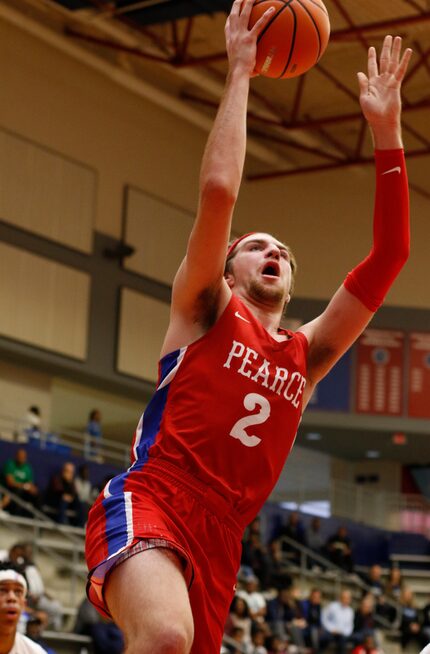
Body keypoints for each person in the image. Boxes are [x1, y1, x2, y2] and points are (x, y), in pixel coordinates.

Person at [85, 0, 412, 651]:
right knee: (167, 637)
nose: (274, 253)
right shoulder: (206, 306)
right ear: (229, 267)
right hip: (156, 496)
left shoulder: (308, 352)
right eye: (257, 246)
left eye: (284, 253)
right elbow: (217, 194)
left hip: (224, 538)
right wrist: (239, 70)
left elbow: (390, 257)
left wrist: (386, 134)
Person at [0, 562, 46, 654]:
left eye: (18, 592)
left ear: (24, 605)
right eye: (3, 590)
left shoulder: (35, 652)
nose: (12, 598)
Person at [1, 448, 41, 517]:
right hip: (9, 489)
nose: (21, 458)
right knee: (17, 491)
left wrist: (32, 489)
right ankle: (15, 516)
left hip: (23, 490)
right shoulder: (10, 464)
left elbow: (30, 483)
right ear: (16, 456)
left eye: (23, 456)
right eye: (20, 456)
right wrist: (24, 486)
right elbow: (10, 483)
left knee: (37, 495)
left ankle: (36, 518)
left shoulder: (28, 468)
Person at [45, 462, 85, 527]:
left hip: (68, 501)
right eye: (68, 471)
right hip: (56, 500)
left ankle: (81, 525)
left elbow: (75, 494)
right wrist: (64, 495)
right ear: (63, 471)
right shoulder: (56, 478)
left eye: (72, 472)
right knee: (63, 501)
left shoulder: (71, 482)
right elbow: (57, 492)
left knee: (80, 504)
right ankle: (62, 523)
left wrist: (71, 496)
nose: (70, 474)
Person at [322, 589, 355, 654]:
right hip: (331, 632)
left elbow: (350, 626)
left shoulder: (350, 611)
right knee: (323, 638)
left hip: (343, 635)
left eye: (347, 598)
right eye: (344, 598)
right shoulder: (332, 606)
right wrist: (331, 629)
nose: (346, 600)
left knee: (344, 640)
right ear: (340, 598)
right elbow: (324, 618)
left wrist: (343, 632)